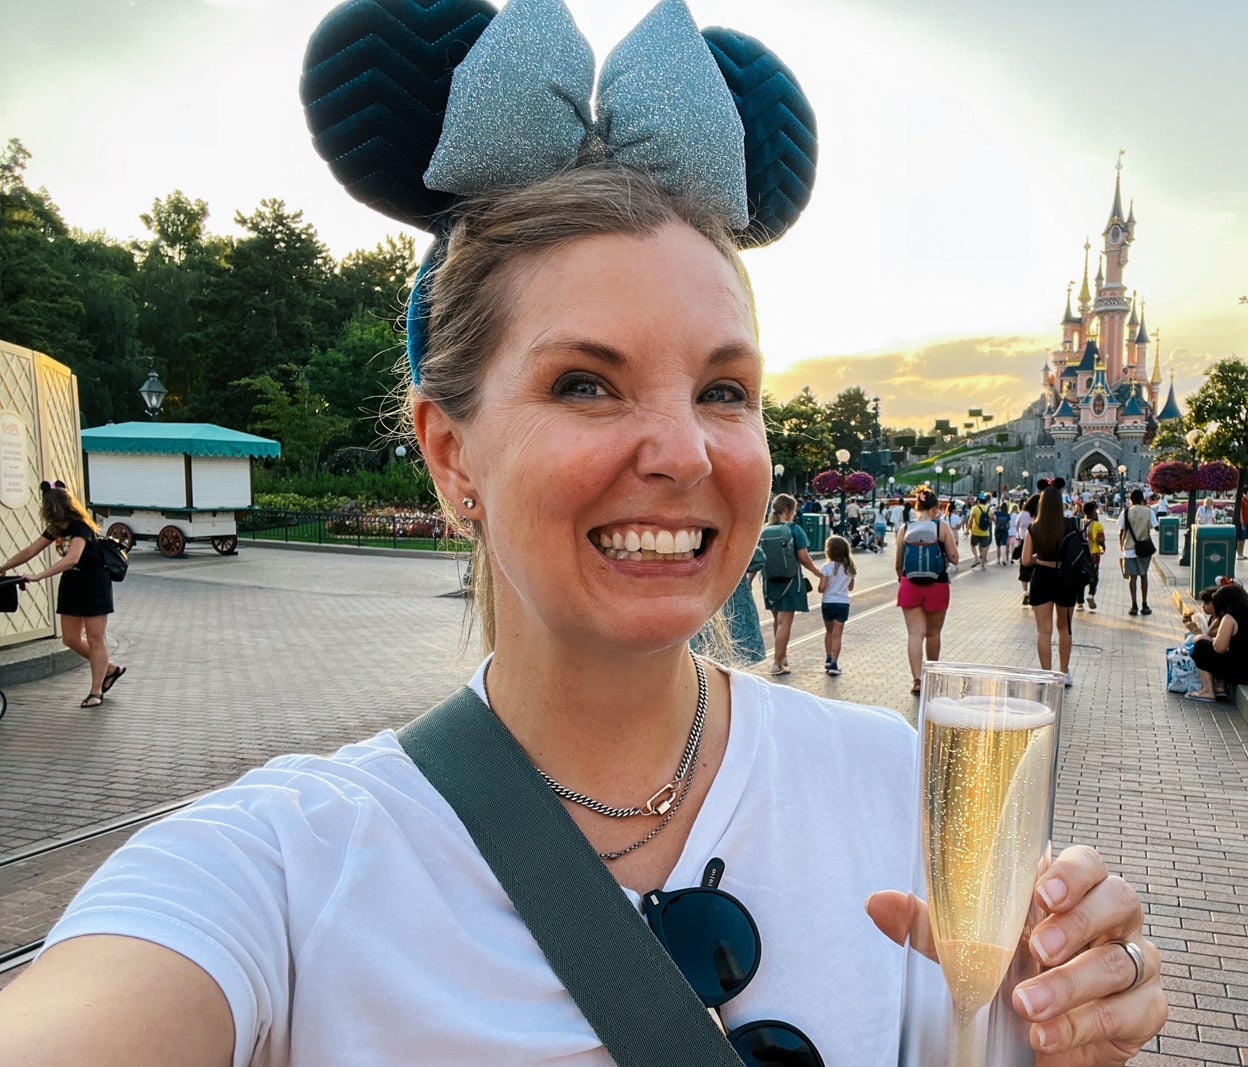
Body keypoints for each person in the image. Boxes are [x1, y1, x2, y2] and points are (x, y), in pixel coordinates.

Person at [0, 152, 1166, 1065]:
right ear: (449, 450)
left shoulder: (898, 788)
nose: (681, 447)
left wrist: (1062, 1036)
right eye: (586, 383)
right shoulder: (284, 866)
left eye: (724, 388)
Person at [0, 480, 128, 708]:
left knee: (95, 639)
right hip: (72, 584)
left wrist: (38, 576)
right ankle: (108, 669)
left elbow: (72, 559)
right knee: (70, 638)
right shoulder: (57, 527)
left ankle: (96, 690)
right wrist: (3, 567)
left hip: (93, 583)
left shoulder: (80, 527)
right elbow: (31, 549)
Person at [896, 486, 959, 696]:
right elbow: (954, 557)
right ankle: (931, 675)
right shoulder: (941, 527)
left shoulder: (905, 528)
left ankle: (916, 680)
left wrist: (902, 579)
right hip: (937, 585)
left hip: (909, 585)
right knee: (933, 634)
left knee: (915, 634)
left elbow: (898, 562)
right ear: (934, 508)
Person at [1022, 478, 1085, 685]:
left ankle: (1045, 673)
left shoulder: (1034, 528)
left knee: (1043, 630)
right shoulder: (1069, 525)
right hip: (1066, 579)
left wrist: (1038, 558)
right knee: (1064, 628)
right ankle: (1064, 672)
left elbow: (1025, 560)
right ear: (1060, 503)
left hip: (1042, 577)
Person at [759, 493, 825, 677]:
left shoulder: (764, 530)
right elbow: (803, 558)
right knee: (784, 622)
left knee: (777, 621)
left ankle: (783, 655)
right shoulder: (795, 530)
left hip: (769, 581)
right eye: (794, 509)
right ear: (787, 510)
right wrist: (818, 573)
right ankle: (777, 664)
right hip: (790, 581)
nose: (795, 513)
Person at [1185, 583, 1248, 702]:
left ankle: (1207, 691)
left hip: (1244, 674)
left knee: (1200, 646)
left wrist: (1200, 638)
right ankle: (1219, 687)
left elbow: (1219, 648)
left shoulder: (1231, 618)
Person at [817, 534, 855, 676]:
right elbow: (850, 587)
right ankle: (834, 663)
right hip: (842, 603)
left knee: (828, 631)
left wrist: (821, 585)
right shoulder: (849, 568)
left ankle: (827, 657)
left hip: (827, 602)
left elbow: (822, 588)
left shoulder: (826, 567)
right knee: (837, 634)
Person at [1118, 488, 1156, 615]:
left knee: (1132, 578)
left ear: (1130, 500)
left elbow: (1121, 531)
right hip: (1144, 549)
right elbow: (1156, 527)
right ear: (1142, 499)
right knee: (1144, 575)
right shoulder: (1148, 511)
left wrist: (1121, 546)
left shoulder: (1125, 512)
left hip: (1129, 549)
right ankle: (1145, 605)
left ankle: (1134, 605)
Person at [1079, 499, 1106, 612]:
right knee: (1093, 575)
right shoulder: (1097, 525)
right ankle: (1091, 594)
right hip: (1093, 554)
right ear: (1092, 512)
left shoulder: (1079, 523)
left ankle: (1079, 603)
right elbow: (1100, 540)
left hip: (1080, 554)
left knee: (1079, 577)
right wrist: (1103, 547)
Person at [1013, 493, 1035, 604]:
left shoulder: (1022, 513)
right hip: (1037, 544)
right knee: (1035, 567)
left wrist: (1020, 534)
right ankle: (1033, 591)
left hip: (1023, 542)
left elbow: (1016, 524)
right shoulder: (1038, 514)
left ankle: (1025, 592)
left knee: (1024, 566)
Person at [967, 491, 993, 569]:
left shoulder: (974, 508)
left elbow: (970, 519)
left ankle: (976, 558)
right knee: (984, 548)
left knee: (973, 545)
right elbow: (991, 520)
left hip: (975, 531)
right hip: (985, 532)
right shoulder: (989, 510)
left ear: (978, 501)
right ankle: (982, 565)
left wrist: (967, 529)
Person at [992, 500, 1012, 566]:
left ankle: (998, 560)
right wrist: (1007, 529)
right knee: (1004, 545)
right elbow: (1009, 525)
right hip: (1004, 530)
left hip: (997, 530)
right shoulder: (1008, 515)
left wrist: (996, 507)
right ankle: (1003, 559)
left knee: (998, 546)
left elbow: (994, 520)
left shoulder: (997, 513)